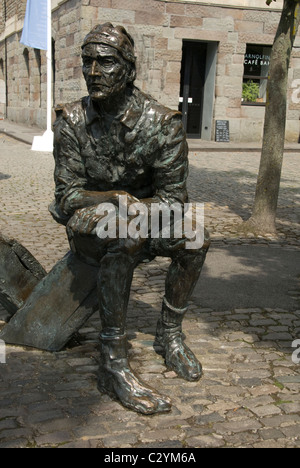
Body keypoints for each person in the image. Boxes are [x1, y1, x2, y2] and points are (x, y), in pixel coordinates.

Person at [50, 23, 210, 415]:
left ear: (129, 69)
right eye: (87, 62)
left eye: (105, 62)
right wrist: (115, 199)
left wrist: (135, 210)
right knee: (123, 236)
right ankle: (113, 361)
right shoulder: (71, 121)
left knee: (195, 237)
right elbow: (67, 196)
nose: (93, 72)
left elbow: (174, 199)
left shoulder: (161, 124)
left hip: (145, 218)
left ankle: (169, 337)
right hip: (93, 221)